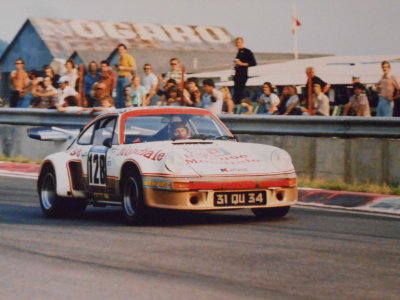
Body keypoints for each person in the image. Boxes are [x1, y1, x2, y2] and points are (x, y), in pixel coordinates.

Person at [233, 37, 256, 104]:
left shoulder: (247, 51)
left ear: (242, 43)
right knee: (236, 92)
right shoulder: (239, 52)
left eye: (239, 42)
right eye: (237, 43)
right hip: (237, 75)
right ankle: (237, 105)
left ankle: (243, 105)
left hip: (243, 75)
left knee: (241, 91)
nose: (238, 44)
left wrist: (242, 64)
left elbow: (253, 63)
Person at [115, 44, 136, 108]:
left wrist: (123, 68)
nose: (120, 51)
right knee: (119, 95)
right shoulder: (119, 58)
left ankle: (125, 109)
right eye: (119, 50)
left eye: (121, 49)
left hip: (126, 77)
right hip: (119, 77)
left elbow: (134, 68)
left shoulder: (129, 57)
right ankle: (119, 109)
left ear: (125, 50)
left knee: (126, 95)